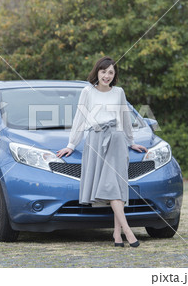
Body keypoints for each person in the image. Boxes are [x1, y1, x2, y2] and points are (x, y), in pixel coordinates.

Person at [57, 56, 147, 248]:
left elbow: (124, 117)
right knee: (112, 186)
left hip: (118, 140)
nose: (106, 76)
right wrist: (71, 144)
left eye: (111, 72)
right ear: (97, 71)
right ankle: (127, 231)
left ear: (115, 76)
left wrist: (131, 141)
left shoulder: (119, 92)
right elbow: (80, 119)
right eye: (103, 71)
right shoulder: (87, 92)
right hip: (96, 140)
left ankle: (117, 233)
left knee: (118, 187)